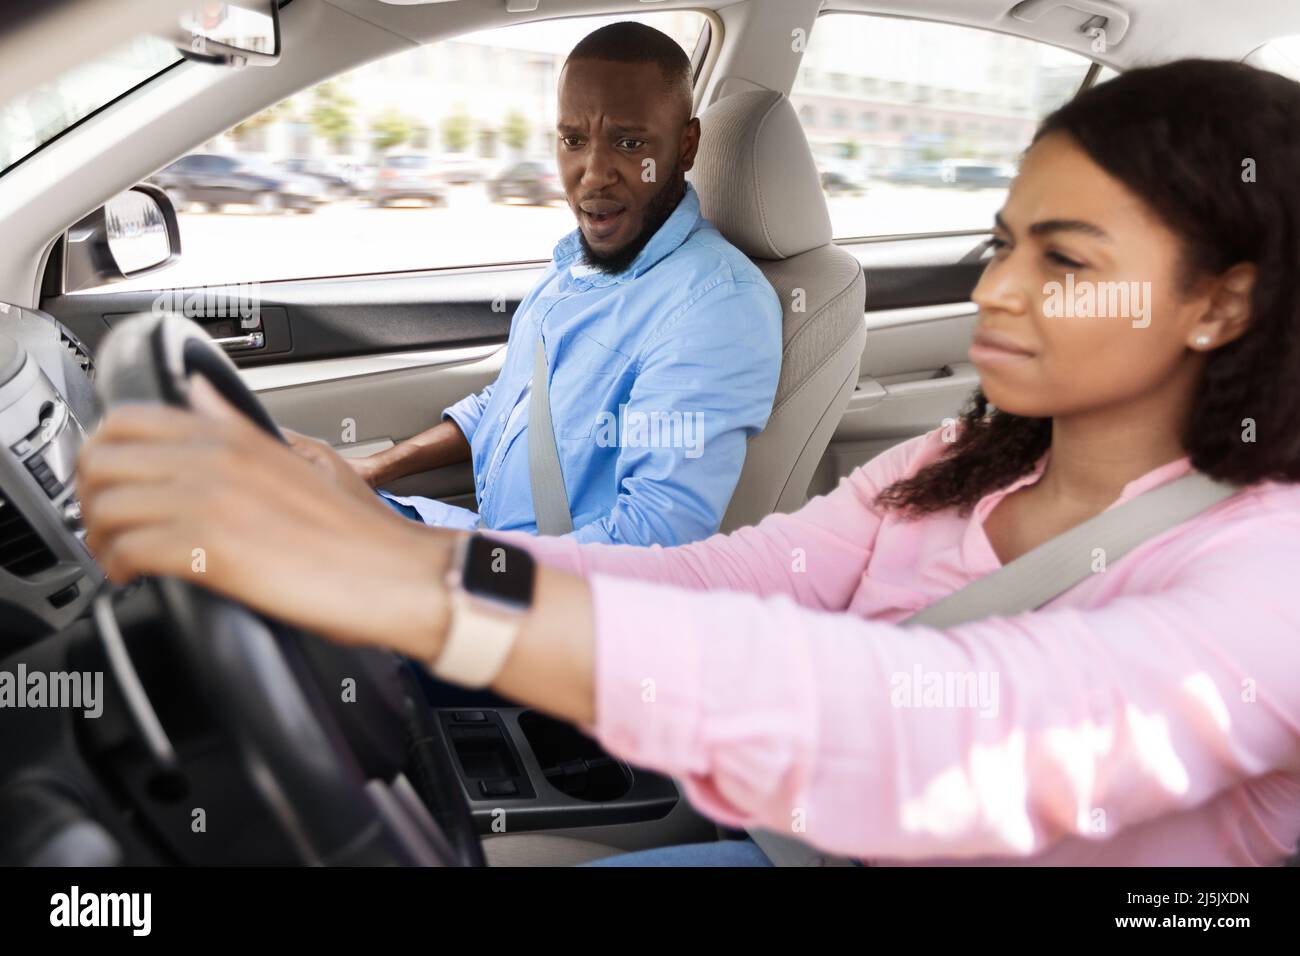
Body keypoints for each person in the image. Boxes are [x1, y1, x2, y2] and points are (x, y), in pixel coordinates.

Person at [77, 59, 1300, 866]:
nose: (996, 287)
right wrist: (407, 543)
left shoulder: (1272, 573)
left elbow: (964, 729)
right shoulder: (961, 457)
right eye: (1000, 242)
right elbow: (729, 580)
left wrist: (416, 588)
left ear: (1219, 304)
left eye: (1065, 261)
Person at [285, 21, 782, 547]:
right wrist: (373, 468)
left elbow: (653, 538)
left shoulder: (715, 306)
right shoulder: (579, 265)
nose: (592, 173)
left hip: (537, 597)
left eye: (629, 142)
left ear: (686, 146)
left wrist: (446, 570)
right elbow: (509, 403)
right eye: (573, 140)